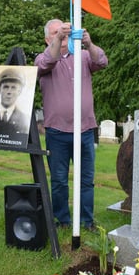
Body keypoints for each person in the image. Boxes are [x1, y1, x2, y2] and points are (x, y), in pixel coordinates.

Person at [34, 19, 108, 230]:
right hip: (57, 131)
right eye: (56, 34)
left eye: (64, 33)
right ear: (47, 38)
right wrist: (57, 41)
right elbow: (45, 64)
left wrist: (89, 43)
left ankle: (86, 221)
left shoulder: (83, 57)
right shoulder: (43, 58)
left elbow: (102, 62)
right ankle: (62, 220)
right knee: (58, 181)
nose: (62, 37)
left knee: (86, 179)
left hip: (84, 130)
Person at [0, 68, 29, 147]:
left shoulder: (25, 119)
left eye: (13, 87)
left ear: (19, 91)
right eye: (6, 87)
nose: (9, 92)